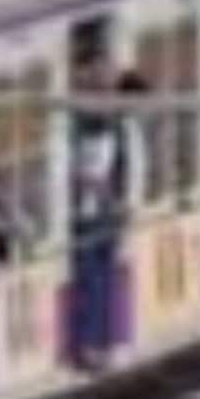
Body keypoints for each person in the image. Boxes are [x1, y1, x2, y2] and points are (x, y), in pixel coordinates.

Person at [69, 50, 131, 373]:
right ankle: (90, 344)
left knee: (104, 276)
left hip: (105, 210)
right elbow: (75, 168)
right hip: (86, 212)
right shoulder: (76, 121)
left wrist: (119, 198)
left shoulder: (114, 122)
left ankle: (106, 341)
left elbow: (121, 161)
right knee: (90, 279)